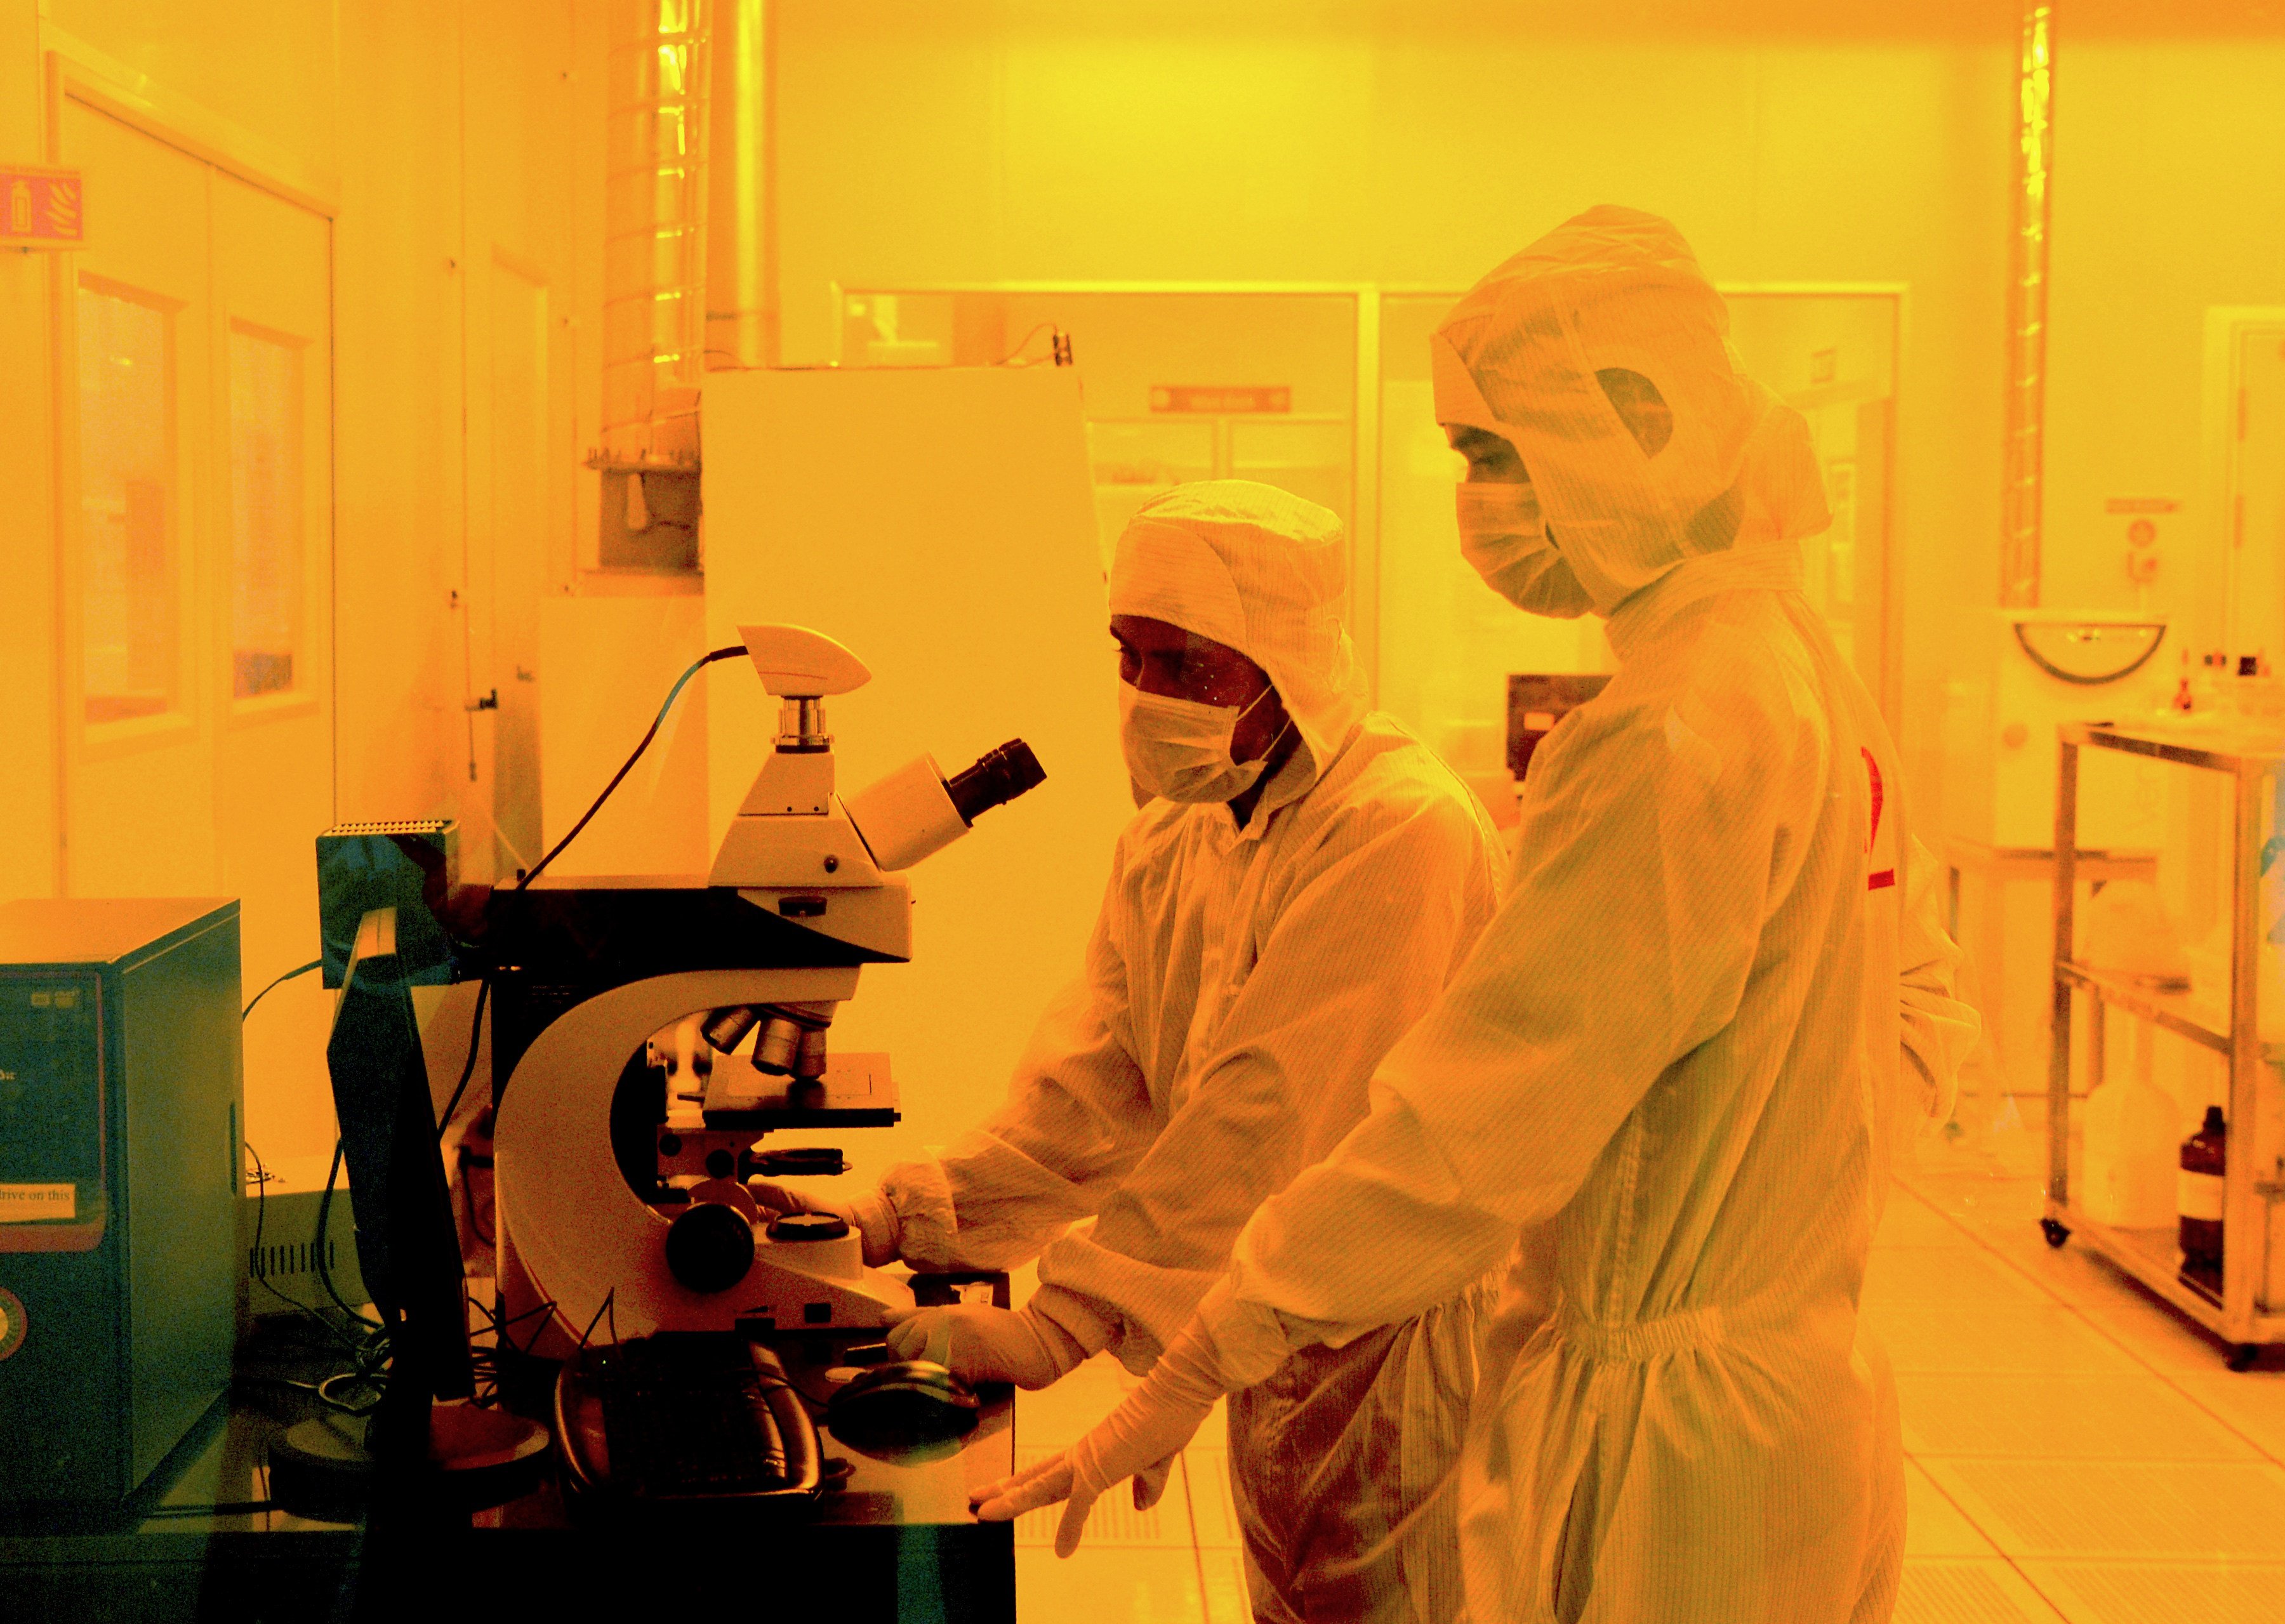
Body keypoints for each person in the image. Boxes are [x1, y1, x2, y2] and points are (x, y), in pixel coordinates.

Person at [974, 208, 1980, 1624]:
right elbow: (1918, 1017)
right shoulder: (1793, 665)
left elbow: (1470, 1133)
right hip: (1797, 1398)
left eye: (1493, 453)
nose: (1476, 501)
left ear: (1638, 422)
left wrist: (1204, 1346)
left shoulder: (1669, 730)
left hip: (1670, 1440)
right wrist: (1763, 1188)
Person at [755, 479, 1507, 1623]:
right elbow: (1100, 1084)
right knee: (1296, 1602)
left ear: (1283, 659)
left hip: (1389, 1344)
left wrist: (1074, 1316)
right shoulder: (1179, 834)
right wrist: (892, 1216)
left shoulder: (1395, 828)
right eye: (1129, 655)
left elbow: (1264, 1116)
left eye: (1187, 664)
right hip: (1263, 1326)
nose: (1148, 696)